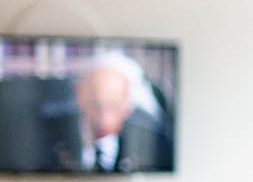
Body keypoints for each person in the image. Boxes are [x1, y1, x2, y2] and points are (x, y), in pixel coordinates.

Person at [40, 55, 174, 172]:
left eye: (113, 106)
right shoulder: (45, 138)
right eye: (96, 105)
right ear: (79, 96)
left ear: (128, 105)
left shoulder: (157, 144)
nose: (104, 119)